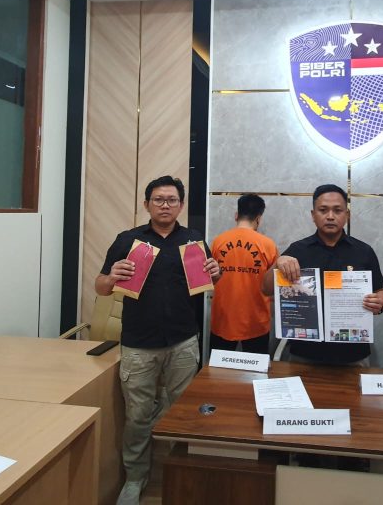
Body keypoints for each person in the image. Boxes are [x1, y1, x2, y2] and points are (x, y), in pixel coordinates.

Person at [95, 175, 221, 505]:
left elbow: (209, 281)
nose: (165, 205)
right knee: (137, 416)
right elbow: (100, 286)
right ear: (146, 204)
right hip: (138, 344)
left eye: (172, 200)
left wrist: (216, 273)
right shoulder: (128, 241)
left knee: (183, 413)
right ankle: (135, 477)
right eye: (159, 200)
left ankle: (179, 473)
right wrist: (111, 277)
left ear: (181, 205)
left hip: (183, 341)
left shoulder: (194, 240)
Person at [262, 183, 383, 366]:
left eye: (337, 210)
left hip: (353, 355)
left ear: (347, 215)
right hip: (304, 354)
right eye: (323, 210)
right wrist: (278, 263)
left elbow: (380, 291)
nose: (330, 216)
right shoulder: (297, 250)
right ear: (313, 215)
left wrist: (379, 302)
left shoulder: (364, 251)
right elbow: (265, 289)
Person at [210, 193, 278, 354]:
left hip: (223, 319)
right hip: (256, 321)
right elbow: (274, 285)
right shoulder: (268, 245)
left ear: (236, 215)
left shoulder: (218, 242)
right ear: (258, 218)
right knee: (256, 369)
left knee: (219, 369)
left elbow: (208, 278)